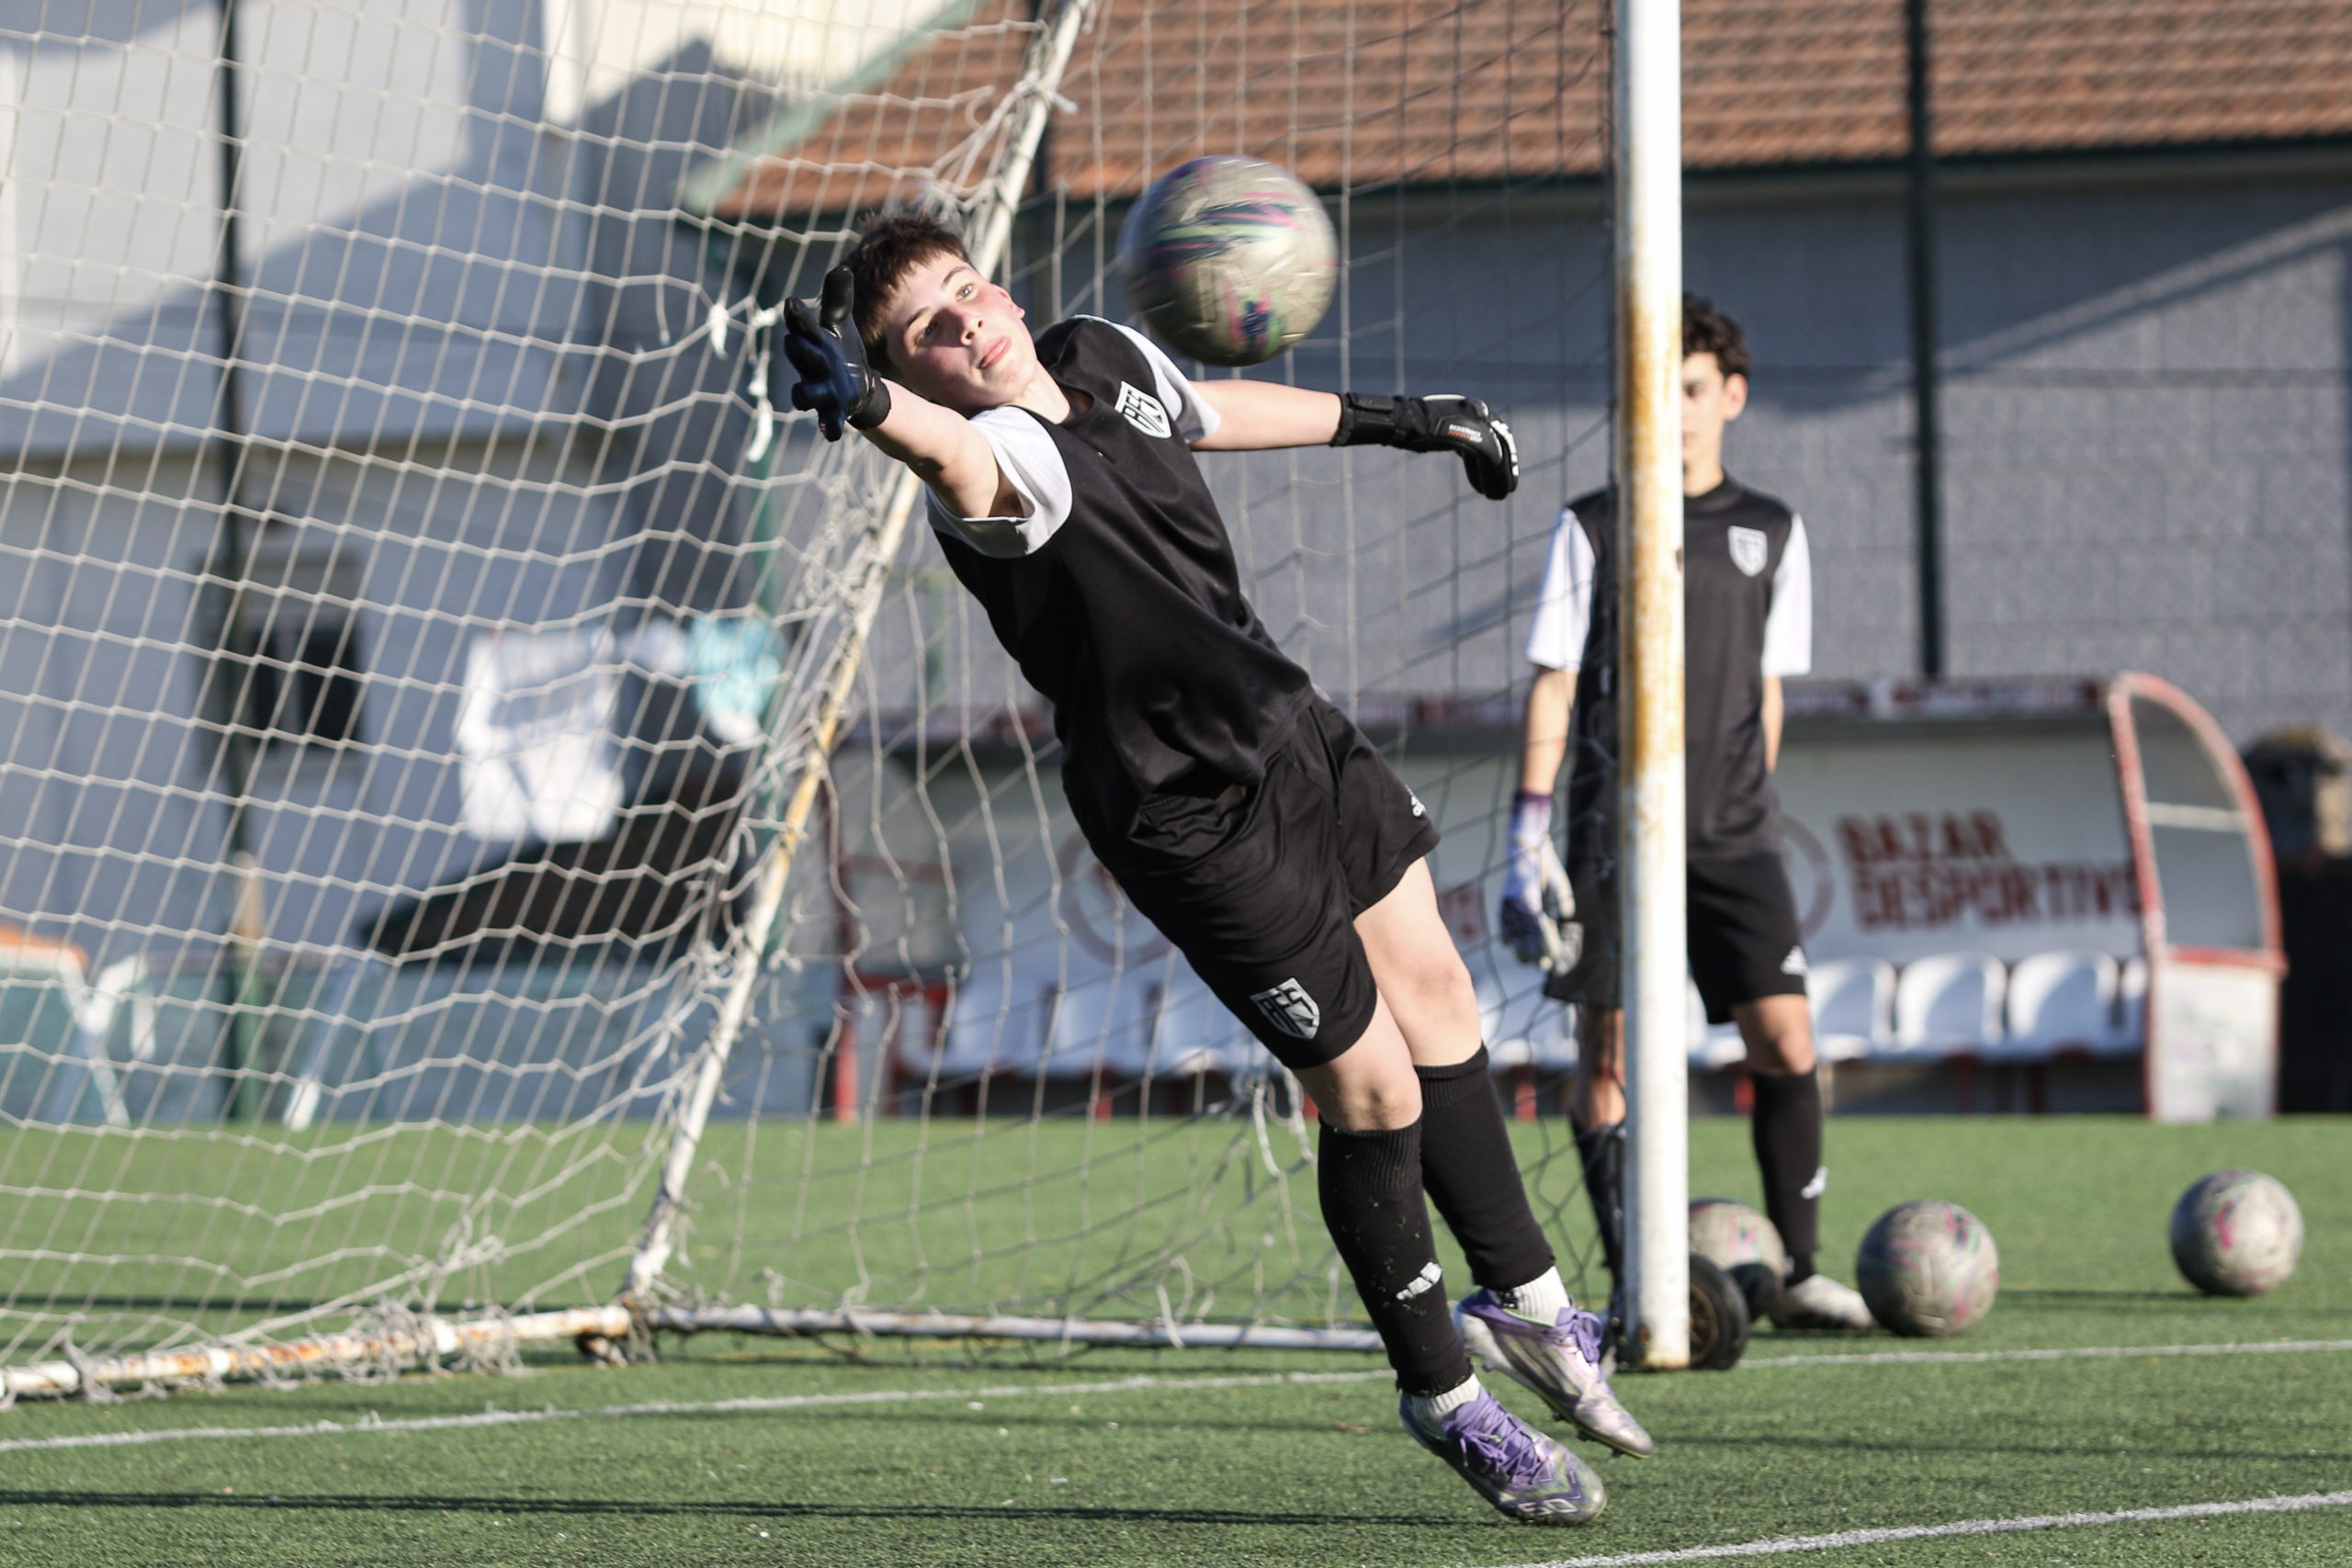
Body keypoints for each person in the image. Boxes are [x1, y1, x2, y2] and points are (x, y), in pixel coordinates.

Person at [782, 209, 1651, 1526]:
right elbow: (958, 460)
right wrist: (868, 407)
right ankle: (1445, 1396)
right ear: (919, 369)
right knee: (1369, 1089)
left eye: (967, 291)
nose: (967, 321)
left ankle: (1532, 1308)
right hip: (1187, 815)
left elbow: (1207, 410)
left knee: (1445, 1002)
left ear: (1001, 289)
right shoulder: (1004, 462)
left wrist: (1407, 418)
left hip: (1293, 732)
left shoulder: (1092, 351)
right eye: (926, 333)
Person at [1500, 295, 1874, 1333]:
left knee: (1787, 1043)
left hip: (1732, 836)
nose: (1675, 407)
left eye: (1695, 388)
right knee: (1608, 1056)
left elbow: (1768, 687)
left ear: (1732, 397)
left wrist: (1750, 801)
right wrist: (1529, 833)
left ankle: (1799, 1272)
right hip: (1607, 839)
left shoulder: (1771, 530)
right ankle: (1633, 1287)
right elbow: (1551, 686)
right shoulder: (1594, 524)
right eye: (1657, 389)